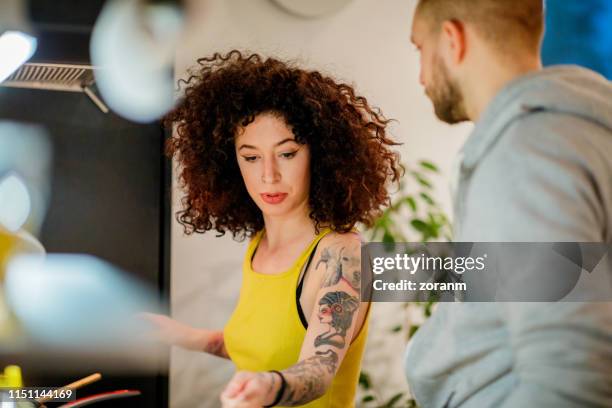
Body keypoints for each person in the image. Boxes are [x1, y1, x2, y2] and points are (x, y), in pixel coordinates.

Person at [145, 50, 401, 407]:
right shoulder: (259, 245)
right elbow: (258, 345)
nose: (268, 175)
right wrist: (174, 334)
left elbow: (320, 366)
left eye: (287, 153)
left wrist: (272, 387)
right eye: (251, 157)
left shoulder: (341, 254)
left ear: (321, 154)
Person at [408, 0, 612, 407]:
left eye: (420, 51)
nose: (421, 77)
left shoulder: (523, 154)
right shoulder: (580, 130)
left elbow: (572, 380)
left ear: (452, 39)